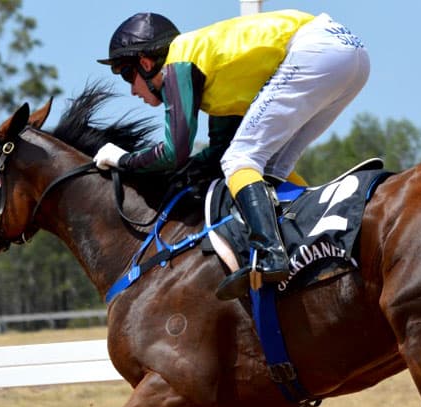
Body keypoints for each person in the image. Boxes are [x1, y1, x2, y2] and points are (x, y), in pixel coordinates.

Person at [93, 10, 370, 299]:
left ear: (147, 63)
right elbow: (216, 152)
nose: (131, 90)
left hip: (318, 52)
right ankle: (312, 245)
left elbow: (175, 151)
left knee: (240, 160)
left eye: (127, 74)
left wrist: (122, 159)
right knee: (271, 165)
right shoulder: (209, 71)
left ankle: (270, 255)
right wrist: (185, 172)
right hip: (350, 55)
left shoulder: (179, 63)